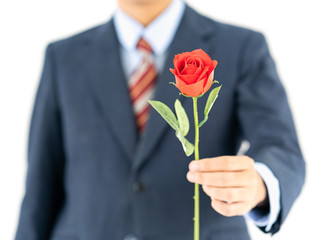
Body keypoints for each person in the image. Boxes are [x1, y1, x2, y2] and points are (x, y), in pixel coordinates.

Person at [15, 0, 305, 239]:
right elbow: (41, 182)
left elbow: (280, 146)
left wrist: (259, 184)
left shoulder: (242, 47)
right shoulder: (63, 57)